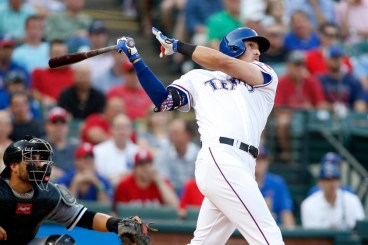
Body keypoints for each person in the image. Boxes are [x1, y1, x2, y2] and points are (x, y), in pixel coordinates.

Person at [115, 26, 284, 244]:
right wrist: (136, 59)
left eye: (258, 47)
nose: (258, 51)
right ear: (234, 47)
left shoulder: (266, 75)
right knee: (269, 236)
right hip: (221, 156)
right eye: (251, 45)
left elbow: (225, 63)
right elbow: (164, 101)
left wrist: (178, 46)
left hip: (245, 164)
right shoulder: (198, 77)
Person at [0, 135, 142, 244]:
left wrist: (116, 224)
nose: (38, 164)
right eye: (31, 159)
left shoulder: (48, 194)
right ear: (13, 166)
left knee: (62, 243)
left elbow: (86, 217)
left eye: (40, 159)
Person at [301, 158, 365, 229]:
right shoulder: (308, 204)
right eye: (327, 179)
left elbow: (361, 229)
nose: (331, 183)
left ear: (339, 181)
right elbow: (312, 236)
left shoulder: (352, 200)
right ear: (319, 182)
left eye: (335, 179)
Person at [113, 148, 179, 209]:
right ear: (135, 168)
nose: (146, 168)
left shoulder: (162, 182)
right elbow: (119, 213)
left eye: (149, 164)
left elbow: (175, 207)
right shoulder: (124, 185)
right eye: (142, 165)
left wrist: (160, 182)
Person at [153, 117, 200, 194]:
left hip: (193, 197)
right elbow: (164, 182)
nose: (172, 137)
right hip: (170, 198)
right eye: (170, 133)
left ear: (187, 135)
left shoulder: (199, 156)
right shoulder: (162, 156)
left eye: (176, 133)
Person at [255, 146, 295, 228]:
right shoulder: (243, 182)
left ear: (268, 161)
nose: (260, 163)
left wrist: (290, 232)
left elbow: (286, 213)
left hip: (274, 230)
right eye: (256, 159)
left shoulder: (277, 183)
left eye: (263, 159)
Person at [44, 106, 78, 180]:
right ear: (47, 126)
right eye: (55, 122)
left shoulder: (76, 146)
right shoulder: (40, 146)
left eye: (63, 122)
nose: (59, 126)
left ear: (67, 126)